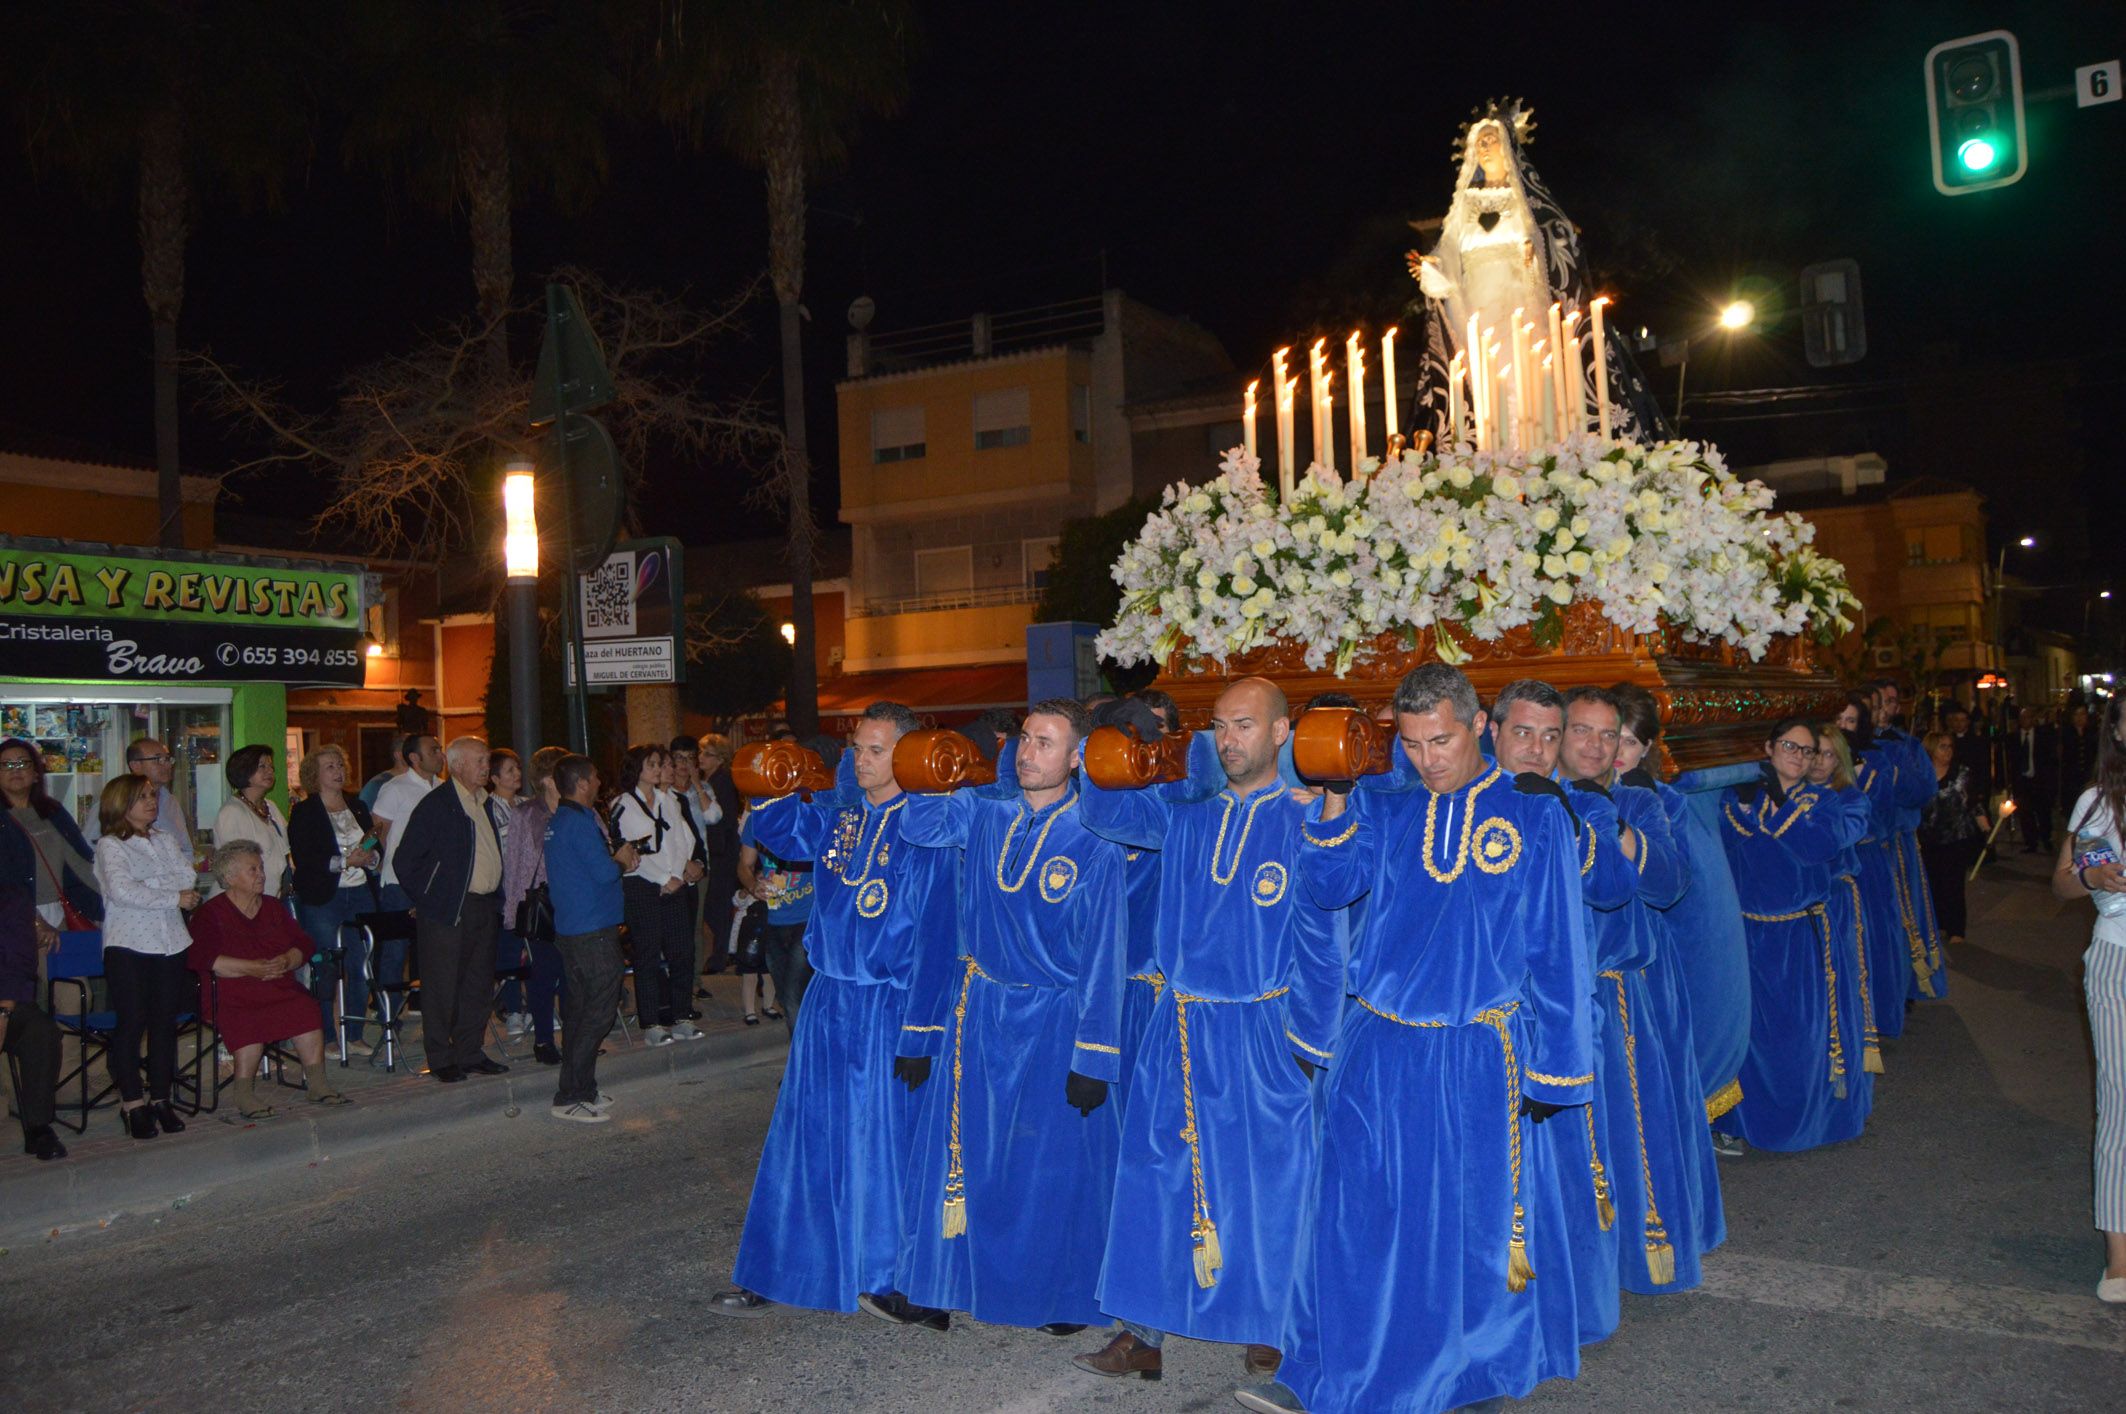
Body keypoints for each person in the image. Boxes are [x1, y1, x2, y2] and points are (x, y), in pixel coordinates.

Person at [1256, 664, 1594, 1414]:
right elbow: (1327, 885)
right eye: (1410, 744)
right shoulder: (1384, 806)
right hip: (1377, 1046)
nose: (1426, 759)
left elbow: (1560, 950)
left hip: (1478, 1053)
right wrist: (1338, 790)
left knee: (1463, 1229)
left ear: (1478, 727)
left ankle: (1464, 1379)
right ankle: (1327, 1372)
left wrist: (1557, 1073)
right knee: (1354, 1219)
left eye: (1440, 740)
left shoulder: (1535, 814)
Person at [1073, 679, 1340, 1383]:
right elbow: (1104, 811)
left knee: (1268, 1184)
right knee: (1154, 1177)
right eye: (1219, 726)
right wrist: (1124, 746)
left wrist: (1309, 1044)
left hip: (1265, 1029)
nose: (1229, 741)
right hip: (1181, 1024)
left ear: (1283, 733)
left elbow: (1323, 940)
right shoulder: (1186, 817)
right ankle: (1142, 1334)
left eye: (1244, 726)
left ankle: (1270, 1323)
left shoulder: (1310, 818)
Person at [712, 701, 958, 1322]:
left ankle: (891, 1278)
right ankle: (780, 1267)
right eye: (858, 748)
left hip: (888, 1006)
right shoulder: (840, 818)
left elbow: (937, 940)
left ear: (906, 754)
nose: (862, 760)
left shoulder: (927, 829)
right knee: (805, 1138)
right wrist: (778, 775)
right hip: (828, 1001)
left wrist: (921, 1033)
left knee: (883, 1144)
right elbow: (777, 830)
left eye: (877, 749)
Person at [890, 699, 1130, 1334]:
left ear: (1077, 757)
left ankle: (1058, 1295)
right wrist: (928, 767)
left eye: (1046, 743)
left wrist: (1094, 1055)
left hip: (1055, 1017)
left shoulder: (1098, 839)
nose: (1028, 753)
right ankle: (942, 1283)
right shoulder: (983, 813)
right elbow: (922, 827)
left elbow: (1106, 955)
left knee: (1048, 1166)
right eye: (1025, 738)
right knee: (967, 1154)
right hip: (983, 1011)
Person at [1558, 686, 1718, 1299]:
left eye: (1611, 734)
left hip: (1616, 992)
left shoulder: (1639, 802)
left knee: (1628, 1130)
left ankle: (1632, 1253)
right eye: (1584, 731)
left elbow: (1670, 884)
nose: (1599, 747)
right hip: (1545, 997)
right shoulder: (1528, 794)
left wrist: (1612, 819)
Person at [1493, 679, 1639, 1350]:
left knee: (1561, 1173)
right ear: (1492, 731)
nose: (1542, 749)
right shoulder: (1460, 796)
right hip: (1479, 1028)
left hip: (1553, 1018)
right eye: (1528, 733)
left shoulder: (1579, 801)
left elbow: (1611, 887)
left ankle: (1566, 1311)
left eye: (1553, 737)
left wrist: (1569, 819)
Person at [1713, 718, 1871, 1154]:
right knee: (1746, 1034)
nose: (1800, 757)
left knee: (1798, 1036)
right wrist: (1756, 802)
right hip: (1745, 933)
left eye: (1807, 750)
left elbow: (1817, 847)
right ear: (1768, 747)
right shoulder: (1737, 798)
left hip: (1800, 936)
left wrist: (1780, 804)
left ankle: (1806, 1123)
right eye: (1790, 746)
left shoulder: (1825, 802)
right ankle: (1738, 1123)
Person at [1610, 682, 1727, 1253]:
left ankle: (1662, 1220)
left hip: (1646, 967)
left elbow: (1679, 890)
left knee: (1648, 1094)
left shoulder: (1660, 802)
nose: (1617, 753)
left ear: (1648, 747)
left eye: (1629, 742)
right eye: (1610, 737)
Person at [188, 840, 347, 1118]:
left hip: (276, 983)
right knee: (247, 1017)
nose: (261, 874)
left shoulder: (273, 907)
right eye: (253, 869)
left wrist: (288, 960)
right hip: (231, 989)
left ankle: (318, 1084)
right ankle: (244, 1093)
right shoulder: (212, 913)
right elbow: (204, 960)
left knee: (304, 1006)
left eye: (260, 868)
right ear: (229, 877)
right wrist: (252, 968)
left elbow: (304, 944)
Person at [2055, 695, 2126, 1302]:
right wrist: (2090, 877)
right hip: (2117, 955)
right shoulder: (2097, 802)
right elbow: (2059, 883)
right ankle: (2119, 1256)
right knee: (2120, 1100)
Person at [390, 737, 508, 1083]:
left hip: (484, 906)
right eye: (480, 761)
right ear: (457, 766)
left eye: (487, 760)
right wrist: (432, 898)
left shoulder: (485, 802)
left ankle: (470, 1052)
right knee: (442, 986)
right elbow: (405, 861)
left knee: (478, 984)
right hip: (449, 909)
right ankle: (441, 1057)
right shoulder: (438, 804)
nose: (486, 767)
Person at [92, 774, 201, 1139]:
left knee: (163, 1023)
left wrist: (157, 885)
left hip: (170, 941)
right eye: (142, 797)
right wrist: (171, 894)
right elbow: (122, 891)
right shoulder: (110, 845)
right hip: (129, 945)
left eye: (152, 795)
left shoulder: (163, 838)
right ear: (121, 804)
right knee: (132, 1022)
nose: (151, 802)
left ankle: (160, 1097)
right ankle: (133, 1103)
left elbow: (187, 875)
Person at [544, 754, 637, 1123]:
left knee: (581, 1014)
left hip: (573, 929)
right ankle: (570, 1096)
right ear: (582, 783)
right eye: (596, 776)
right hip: (592, 931)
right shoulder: (579, 823)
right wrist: (622, 858)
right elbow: (602, 873)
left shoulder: (561, 820)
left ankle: (582, 1088)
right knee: (597, 1015)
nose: (600, 781)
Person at [289, 744, 381, 1057]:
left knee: (360, 965)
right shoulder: (304, 811)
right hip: (323, 897)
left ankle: (354, 1033)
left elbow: (373, 847)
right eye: (330, 766)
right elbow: (306, 858)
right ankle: (326, 1036)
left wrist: (370, 859)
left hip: (358, 894)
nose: (338, 771)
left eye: (340, 764)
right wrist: (344, 862)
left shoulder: (357, 806)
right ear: (314, 774)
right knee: (326, 967)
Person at [610, 744, 704, 1045]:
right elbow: (629, 850)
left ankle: (682, 1015)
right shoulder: (623, 804)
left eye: (658, 764)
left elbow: (679, 840)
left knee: (682, 952)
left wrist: (675, 875)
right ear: (637, 768)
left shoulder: (668, 800)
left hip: (673, 883)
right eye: (652, 764)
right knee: (647, 954)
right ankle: (651, 1022)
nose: (657, 769)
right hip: (642, 885)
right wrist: (663, 877)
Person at [1811, 727, 1886, 1080]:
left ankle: (1846, 1062)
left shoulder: (1851, 799)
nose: (1819, 762)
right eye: (1814, 752)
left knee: (1841, 983)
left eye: (1829, 755)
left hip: (1837, 903)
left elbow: (1837, 838)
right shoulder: (1789, 793)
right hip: (1800, 904)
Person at [0, 833, 66, 1159]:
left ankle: (38, 1127)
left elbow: (18, 958)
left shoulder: (10, 900)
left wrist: (5, 1007)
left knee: (41, 1032)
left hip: (5, 1000)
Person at [502, 746, 568, 1066]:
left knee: (573, 974)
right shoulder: (525, 813)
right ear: (546, 778)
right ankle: (543, 1040)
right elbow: (513, 864)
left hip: (575, 903)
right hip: (541, 905)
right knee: (542, 975)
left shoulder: (580, 809)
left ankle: (575, 1038)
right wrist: (513, 914)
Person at [1, 736, 103, 930]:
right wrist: (34, 919)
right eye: (6, 764)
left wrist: (112, 898)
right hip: (11, 921)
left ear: (36, 773)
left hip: (57, 914)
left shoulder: (53, 813)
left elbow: (80, 863)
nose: (16, 769)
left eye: (23, 763)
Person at [370, 733, 442, 1005]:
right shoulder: (395, 788)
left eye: (439, 749)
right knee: (395, 948)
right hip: (399, 881)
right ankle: (389, 1010)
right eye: (433, 750)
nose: (440, 754)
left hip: (432, 883)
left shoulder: (444, 788)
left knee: (431, 947)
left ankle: (425, 1004)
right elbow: (381, 831)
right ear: (414, 758)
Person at [737, 804, 812, 1030]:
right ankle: (803, 1052)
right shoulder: (757, 819)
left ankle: (802, 1059)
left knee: (793, 995)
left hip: (807, 918)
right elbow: (744, 864)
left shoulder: (808, 814)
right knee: (786, 996)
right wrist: (753, 885)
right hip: (774, 918)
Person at [1920, 728, 1989, 947]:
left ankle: (1956, 928)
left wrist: (1985, 826)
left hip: (1956, 836)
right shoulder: (1922, 774)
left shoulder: (1961, 773)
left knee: (1953, 883)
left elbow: (1972, 802)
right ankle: (1939, 922)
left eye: (1950, 746)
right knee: (1933, 882)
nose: (1948, 751)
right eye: (1943, 746)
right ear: (1931, 749)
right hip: (1928, 836)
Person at [668, 734, 720, 1011]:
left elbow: (714, 817)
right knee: (677, 927)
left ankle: (694, 982)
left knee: (696, 926)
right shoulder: (664, 792)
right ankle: (677, 982)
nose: (684, 765)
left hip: (700, 868)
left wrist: (698, 785)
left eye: (690, 759)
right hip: (673, 869)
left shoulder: (703, 789)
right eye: (679, 758)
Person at [485, 748, 533, 1037]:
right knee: (509, 952)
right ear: (494, 777)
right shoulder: (489, 809)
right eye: (509, 770)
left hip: (532, 889)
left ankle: (537, 1006)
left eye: (517, 768)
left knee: (536, 950)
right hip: (506, 889)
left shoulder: (527, 805)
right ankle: (513, 1009)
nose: (517, 775)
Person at [212, 745, 291, 901]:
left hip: (272, 898)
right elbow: (235, 866)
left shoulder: (271, 807)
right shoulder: (232, 812)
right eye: (262, 766)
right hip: (243, 902)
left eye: (271, 766)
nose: (270, 771)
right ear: (244, 770)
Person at [697, 733, 742, 980]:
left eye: (707, 754)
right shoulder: (711, 780)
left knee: (717, 906)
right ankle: (715, 955)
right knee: (715, 906)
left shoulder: (721, 781)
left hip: (721, 855)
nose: (701, 757)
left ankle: (717, 957)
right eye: (701, 752)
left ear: (720, 759)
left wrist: (715, 853)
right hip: (719, 852)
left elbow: (723, 823)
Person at [2010, 705, 2057, 856]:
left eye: (2028, 717)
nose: (2025, 721)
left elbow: (2050, 759)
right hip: (2023, 782)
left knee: (2043, 812)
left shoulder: (2043, 736)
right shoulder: (2014, 738)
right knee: (2025, 814)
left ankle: (2046, 838)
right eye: (2022, 718)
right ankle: (2031, 842)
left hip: (2040, 781)